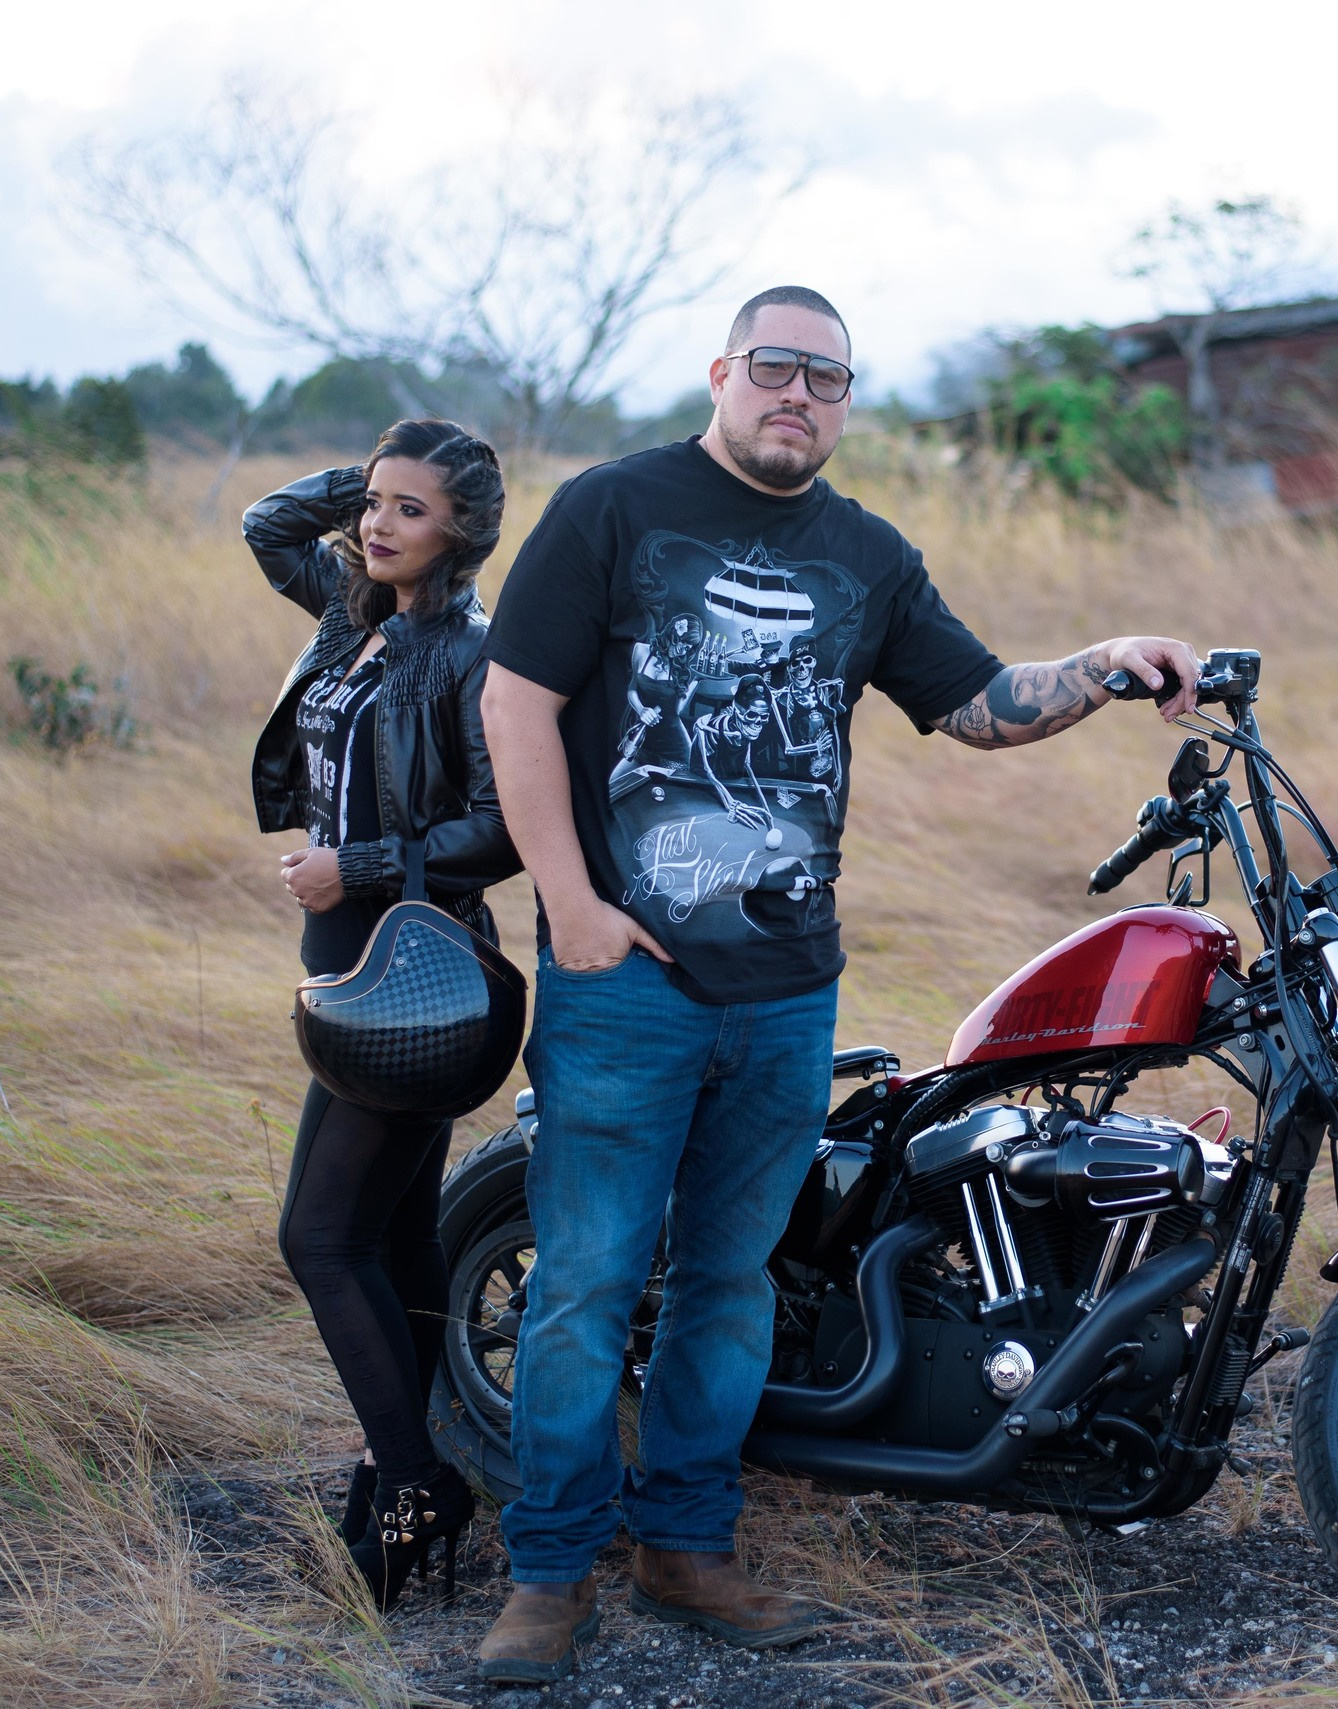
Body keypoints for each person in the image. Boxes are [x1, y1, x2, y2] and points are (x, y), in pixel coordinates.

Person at [473, 286, 1199, 1687]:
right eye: (775, 367)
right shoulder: (613, 509)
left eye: (828, 378)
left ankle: (686, 1545)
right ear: (722, 372)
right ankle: (551, 1570)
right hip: (628, 980)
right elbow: (517, 701)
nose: (798, 394)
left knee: (729, 1282)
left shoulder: (863, 554)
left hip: (789, 987)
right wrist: (571, 908)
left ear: (846, 403)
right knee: (585, 1284)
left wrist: (1110, 664)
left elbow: (983, 705)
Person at [242, 419, 521, 1608]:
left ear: (461, 532)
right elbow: (268, 523)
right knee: (399, 1240)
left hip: (416, 966)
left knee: (318, 1237)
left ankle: (415, 1484)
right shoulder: (349, 616)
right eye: (372, 501)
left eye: (411, 508)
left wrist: (357, 866)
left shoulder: (472, 651)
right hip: (351, 959)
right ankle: (406, 1463)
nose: (375, 522)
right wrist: (369, 478)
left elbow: (508, 821)